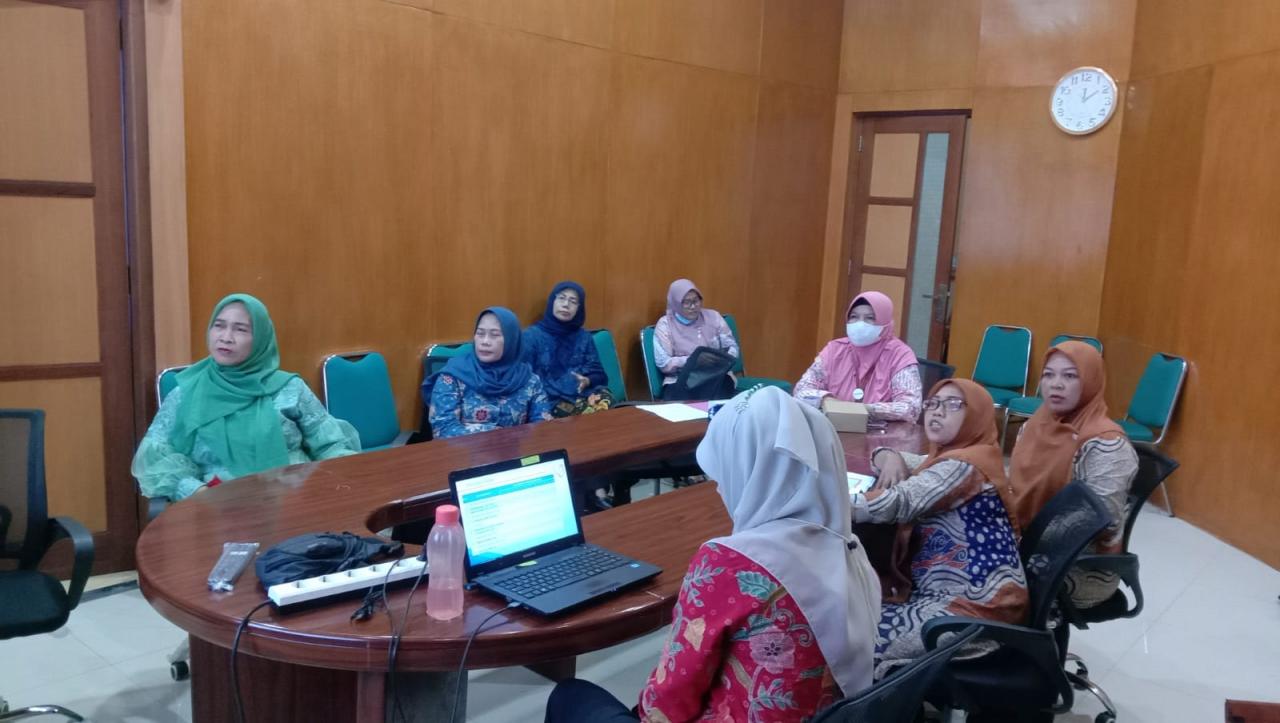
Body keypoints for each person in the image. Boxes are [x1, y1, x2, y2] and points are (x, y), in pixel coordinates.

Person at [544, 387, 880, 722]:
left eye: (725, 472)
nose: (719, 486)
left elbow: (668, 704)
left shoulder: (729, 564)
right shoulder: (848, 547)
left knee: (570, 695)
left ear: (751, 471)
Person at [856, 379, 1027, 679]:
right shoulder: (956, 454)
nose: (937, 412)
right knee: (855, 616)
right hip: (952, 595)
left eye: (953, 405)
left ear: (976, 415)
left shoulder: (965, 466)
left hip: (976, 610)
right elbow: (901, 459)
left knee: (856, 640)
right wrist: (888, 456)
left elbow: (899, 502)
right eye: (933, 403)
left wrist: (828, 501)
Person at [132, 293, 360, 500]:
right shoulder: (186, 393)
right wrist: (197, 492)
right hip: (218, 507)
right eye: (219, 326)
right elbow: (156, 458)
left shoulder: (290, 388)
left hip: (295, 501)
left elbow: (331, 445)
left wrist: (334, 485)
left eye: (240, 329)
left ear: (261, 339)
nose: (226, 337)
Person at [1008, 340, 1138, 608]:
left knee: (977, 575)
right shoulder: (1036, 425)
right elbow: (1014, 486)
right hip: (1025, 542)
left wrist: (1014, 539)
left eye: (1069, 376)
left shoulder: (1106, 444)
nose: (1056, 384)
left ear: (1091, 381)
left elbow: (1099, 523)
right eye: (1048, 375)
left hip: (1080, 564)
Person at [422, 306, 553, 439]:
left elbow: (542, 427)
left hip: (516, 450)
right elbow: (443, 429)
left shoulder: (529, 380)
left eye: (495, 335)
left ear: (511, 340)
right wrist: (498, 436)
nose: (485, 342)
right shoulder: (452, 376)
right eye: (480, 333)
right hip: (462, 451)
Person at [794, 292, 922, 423]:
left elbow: (911, 408)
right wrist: (828, 401)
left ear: (885, 322)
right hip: (834, 427)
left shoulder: (900, 355)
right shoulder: (834, 350)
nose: (860, 324)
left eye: (870, 318)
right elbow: (801, 390)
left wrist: (864, 410)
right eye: (854, 317)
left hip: (882, 431)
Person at [522, 281, 613, 417]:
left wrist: (587, 381)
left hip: (584, 394)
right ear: (552, 301)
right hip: (549, 400)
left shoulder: (584, 337)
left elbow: (599, 374)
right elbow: (525, 379)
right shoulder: (531, 337)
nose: (566, 305)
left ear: (579, 308)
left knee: (606, 400)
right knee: (582, 414)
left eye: (573, 301)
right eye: (562, 298)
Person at [652, 278, 739, 395]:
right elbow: (664, 363)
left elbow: (732, 348)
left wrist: (718, 360)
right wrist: (694, 361)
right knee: (684, 397)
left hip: (715, 376)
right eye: (686, 302)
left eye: (696, 300)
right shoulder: (665, 325)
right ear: (676, 303)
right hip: (679, 379)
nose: (693, 306)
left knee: (721, 389)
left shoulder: (714, 317)